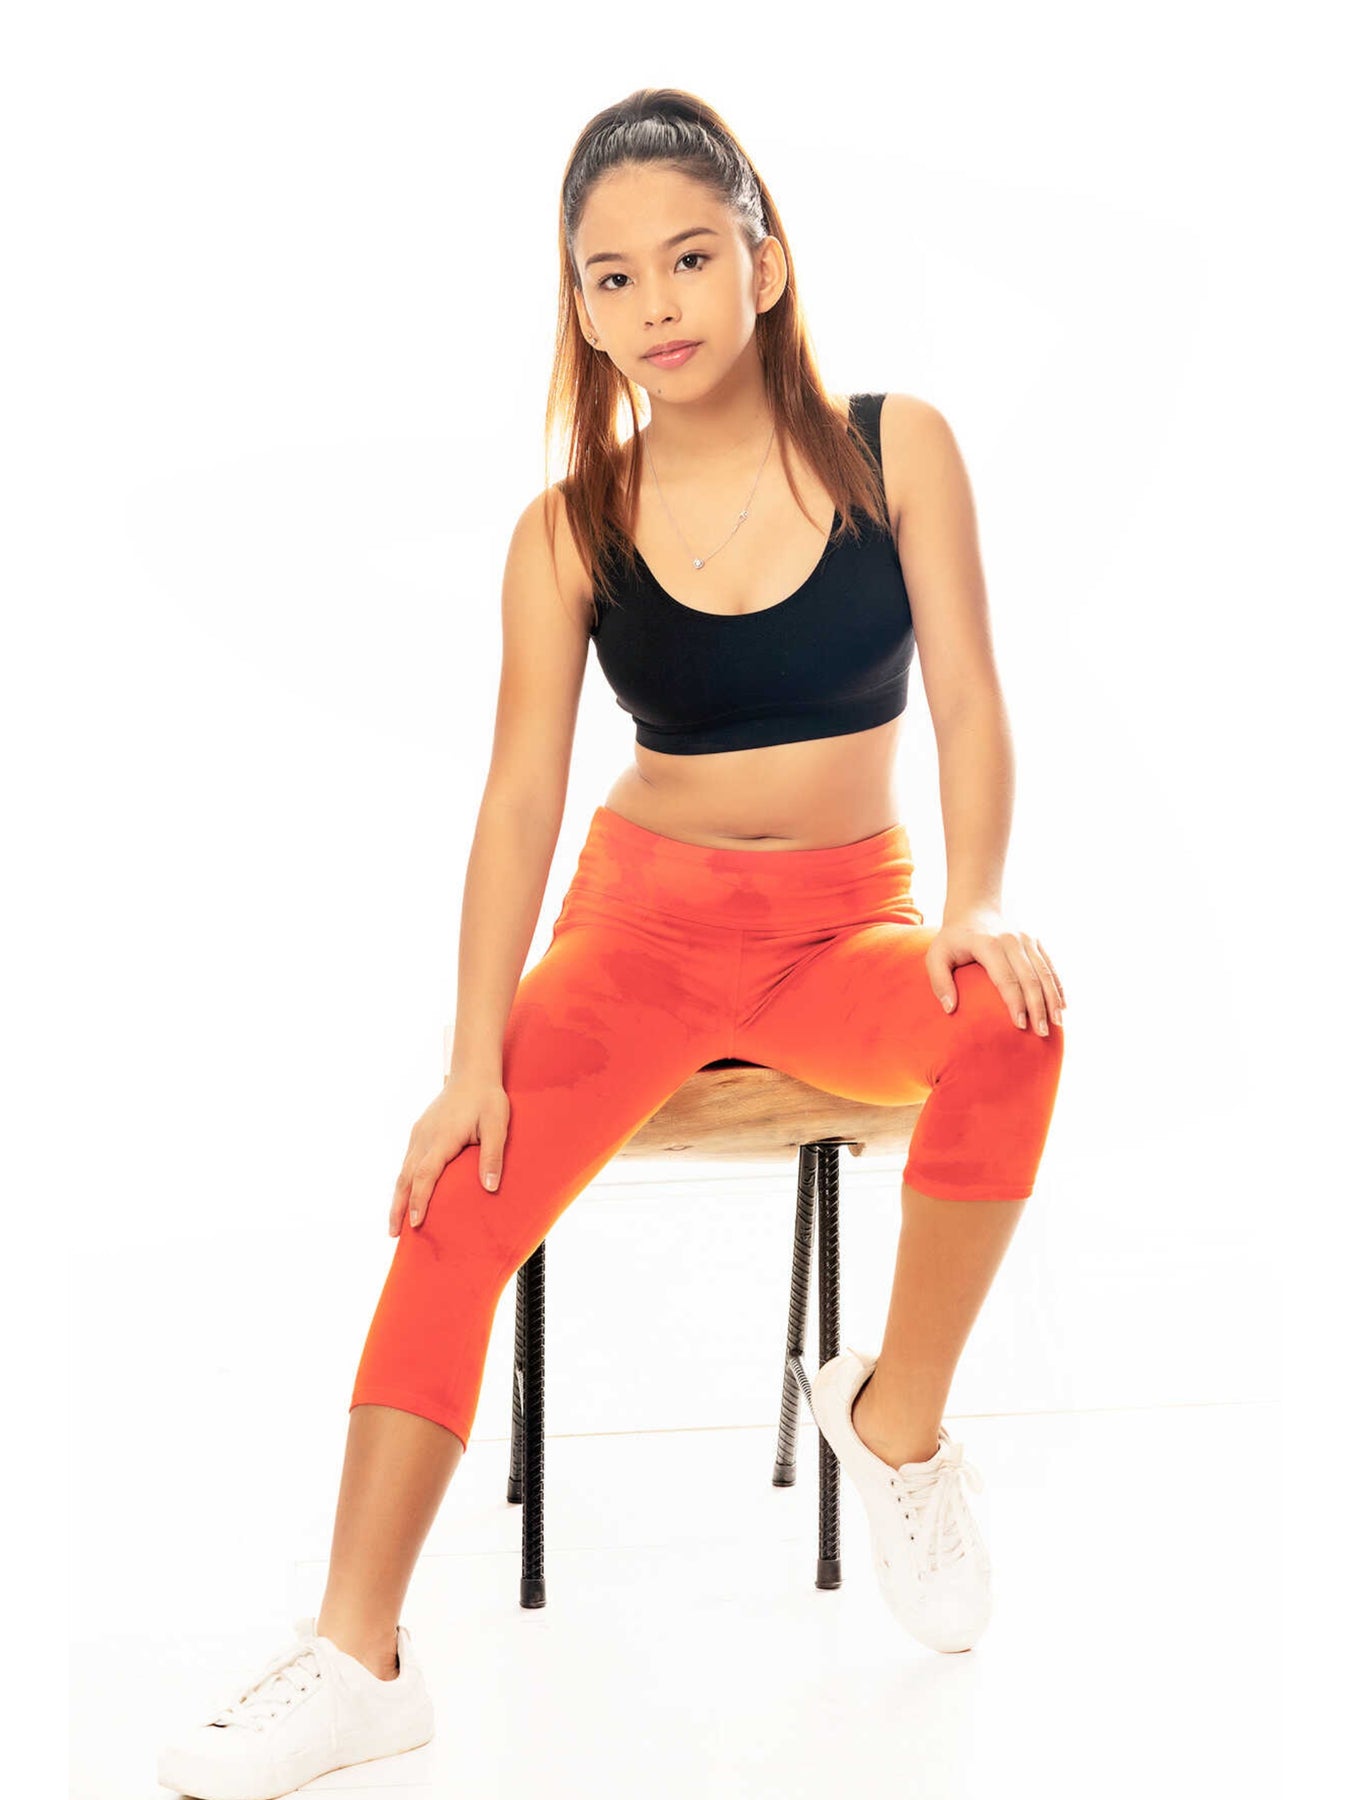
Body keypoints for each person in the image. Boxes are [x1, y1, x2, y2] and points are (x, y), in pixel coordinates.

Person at [158, 86, 1066, 1799]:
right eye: (610, 276)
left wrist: (976, 903)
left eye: (690, 257)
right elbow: (518, 801)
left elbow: (967, 696)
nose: (655, 303)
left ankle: (892, 1425)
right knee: (460, 1189)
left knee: (1015, 1024)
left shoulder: (898, 449)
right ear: (577, 309)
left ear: (764, 265)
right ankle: (356, 1659)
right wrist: (467, 1061)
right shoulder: (567, 527)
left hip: (842, 931)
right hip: (641, 931)